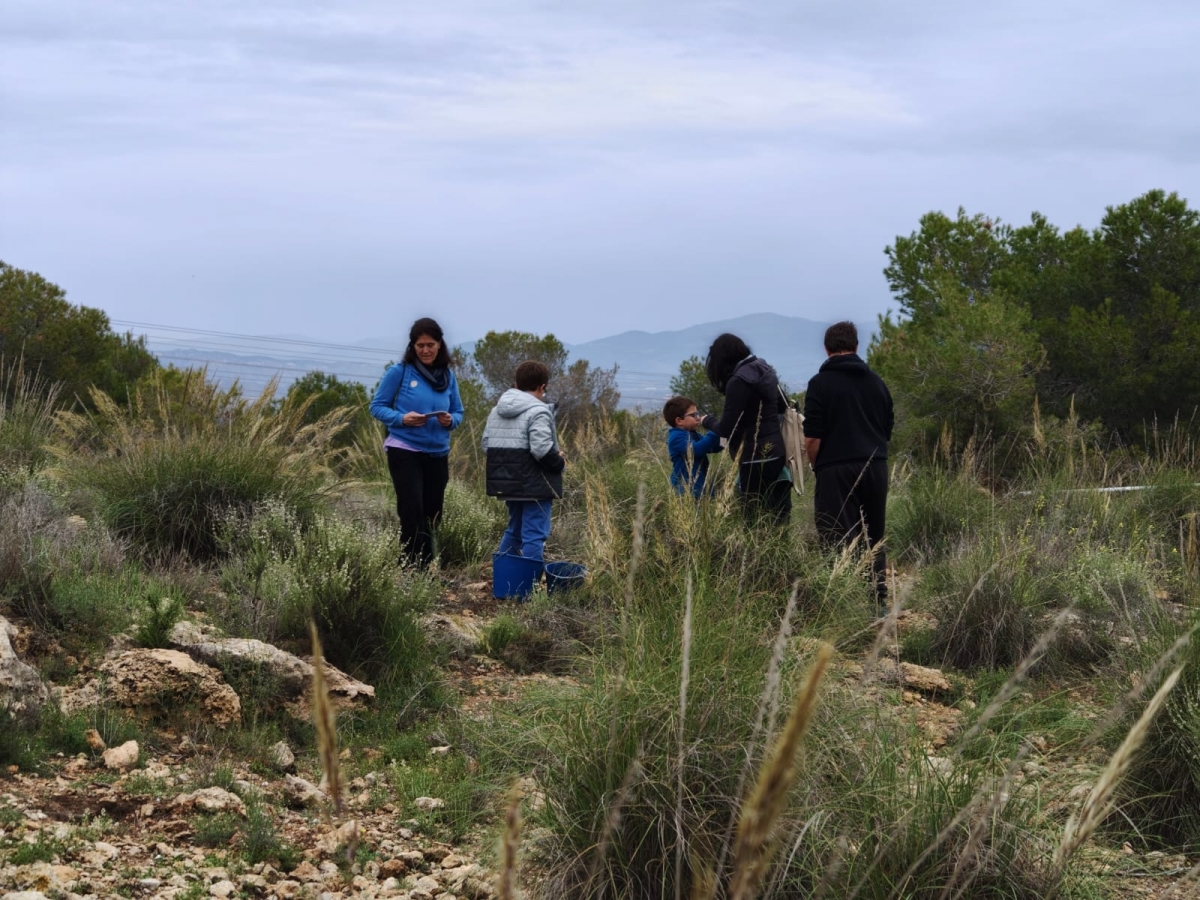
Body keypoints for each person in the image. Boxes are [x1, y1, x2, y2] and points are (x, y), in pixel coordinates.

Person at [802, 321, 895, 610]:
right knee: (874, 534)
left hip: (835, 468)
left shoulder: (819, 384)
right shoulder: (877, 382)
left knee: (836, 536)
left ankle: (843, 603)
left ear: (826, 349)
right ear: (856, 346)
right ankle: (877, 602)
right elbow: (887, 428)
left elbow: (812, 437)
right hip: (875, 464)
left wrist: (817, 466)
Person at [370, 317, 465, 567]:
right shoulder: (399, 372)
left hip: (438, 453)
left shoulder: (448, 376)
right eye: (420, 345)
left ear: (440, 345)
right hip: (404, 449)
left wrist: (450, 421)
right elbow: (377, 406)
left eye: (430, 345)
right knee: (411, 511)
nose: (425, 350)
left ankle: (427, 566)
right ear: (412, 346)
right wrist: (402, 419)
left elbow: (458, 411)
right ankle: (410, 568)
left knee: (433, 514)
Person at [700, 333, 792, 523]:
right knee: (777, 512)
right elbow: (782, 406)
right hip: (776, 452)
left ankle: (757, 544)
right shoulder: (764, 368)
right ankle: (781, 541)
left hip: (752, 457)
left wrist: (706, 420)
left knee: (753, 516)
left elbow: (726, 428)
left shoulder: (738, 381)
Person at [482, 360, 565, 563]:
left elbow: (486, 445)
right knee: (534, 534)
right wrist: (559, 461)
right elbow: (541, 449)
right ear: (542, 387)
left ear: (517, 384)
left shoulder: (496, 411)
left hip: (507, 482)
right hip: (535, 484)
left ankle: (504, 577)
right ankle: (530, 581)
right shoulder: (539, 411)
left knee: (515, 530)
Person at [663, 395, 721, 498]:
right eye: (693, 415)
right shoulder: (676, 437)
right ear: (679, 421)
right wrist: (715, 429)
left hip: (701, 488)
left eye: (697, 414)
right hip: (685, 491)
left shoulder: (692, 433)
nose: (698, 417)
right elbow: (697, 450)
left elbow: (712, 447)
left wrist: (724, 438)